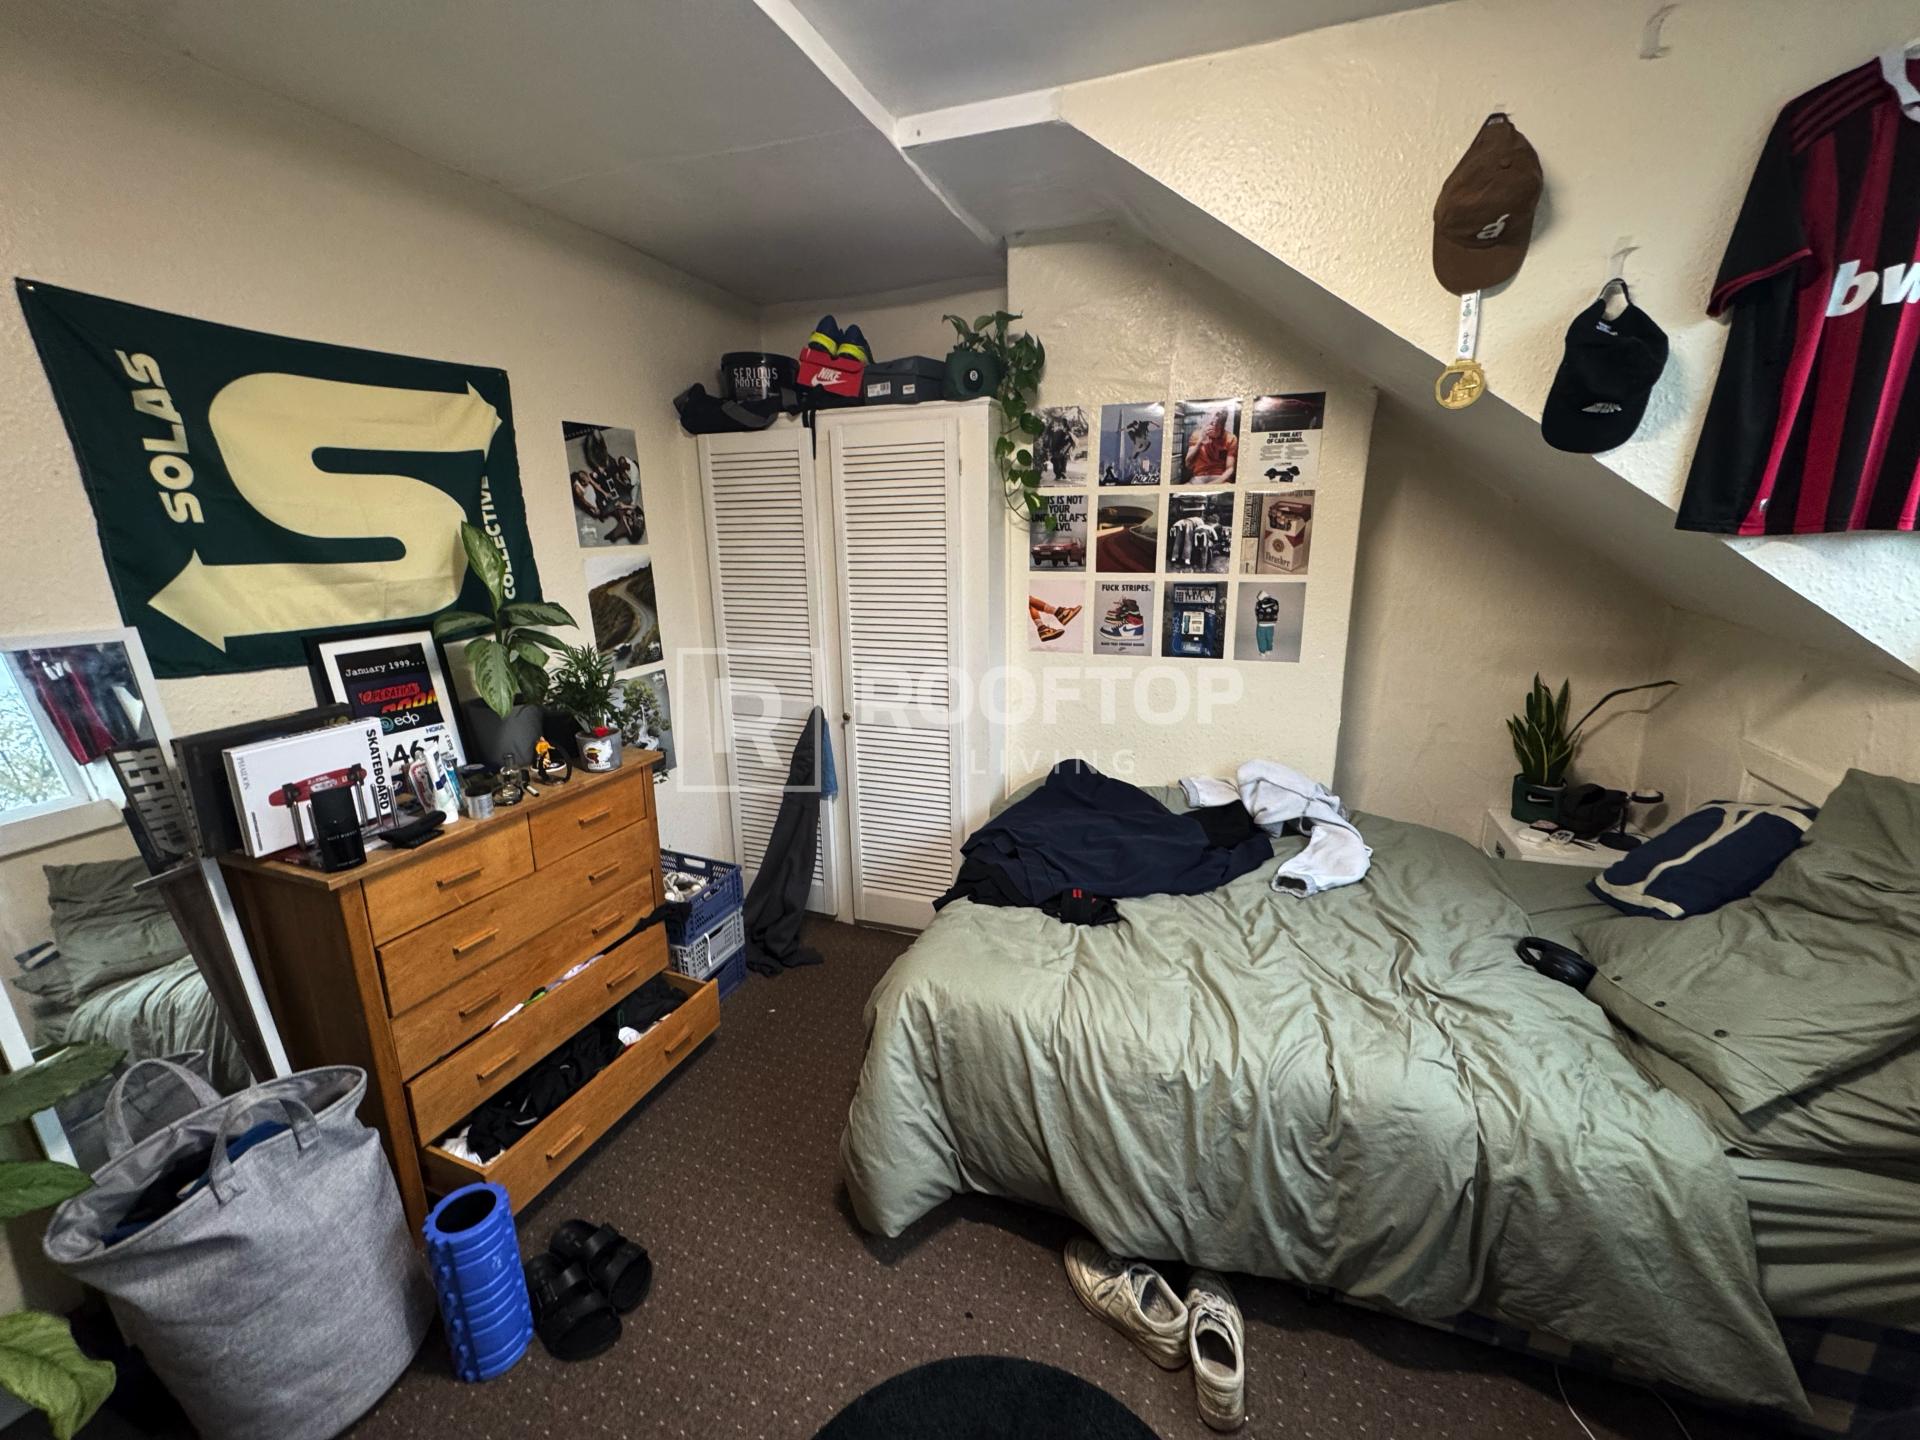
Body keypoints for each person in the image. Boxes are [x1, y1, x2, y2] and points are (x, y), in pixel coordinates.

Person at [1183, 408, 1238, 484]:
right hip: (1199, 478)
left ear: (1222, 425)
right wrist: (1200, 442)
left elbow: (1230, 468)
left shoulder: (1230, 438)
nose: (1213, 426)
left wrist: (1214, 483)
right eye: (1211, 423)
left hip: (1219, 478)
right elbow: (1188, 463)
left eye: (1217, 424)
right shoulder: (1197, 435)